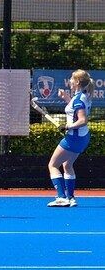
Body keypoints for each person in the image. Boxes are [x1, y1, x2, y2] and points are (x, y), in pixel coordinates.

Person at [46, 69, 93, 207]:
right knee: (67, 165)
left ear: (77, 82)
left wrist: (67, 127)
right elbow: (73, 108)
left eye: (72, 79)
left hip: (74, 138)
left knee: (53, 165)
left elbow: (82, 120)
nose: (70, 81)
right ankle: (71, 198)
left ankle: (61, 197)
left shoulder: (79, 99)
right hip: (82, 138)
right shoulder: (82, 96)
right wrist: (66, 97)